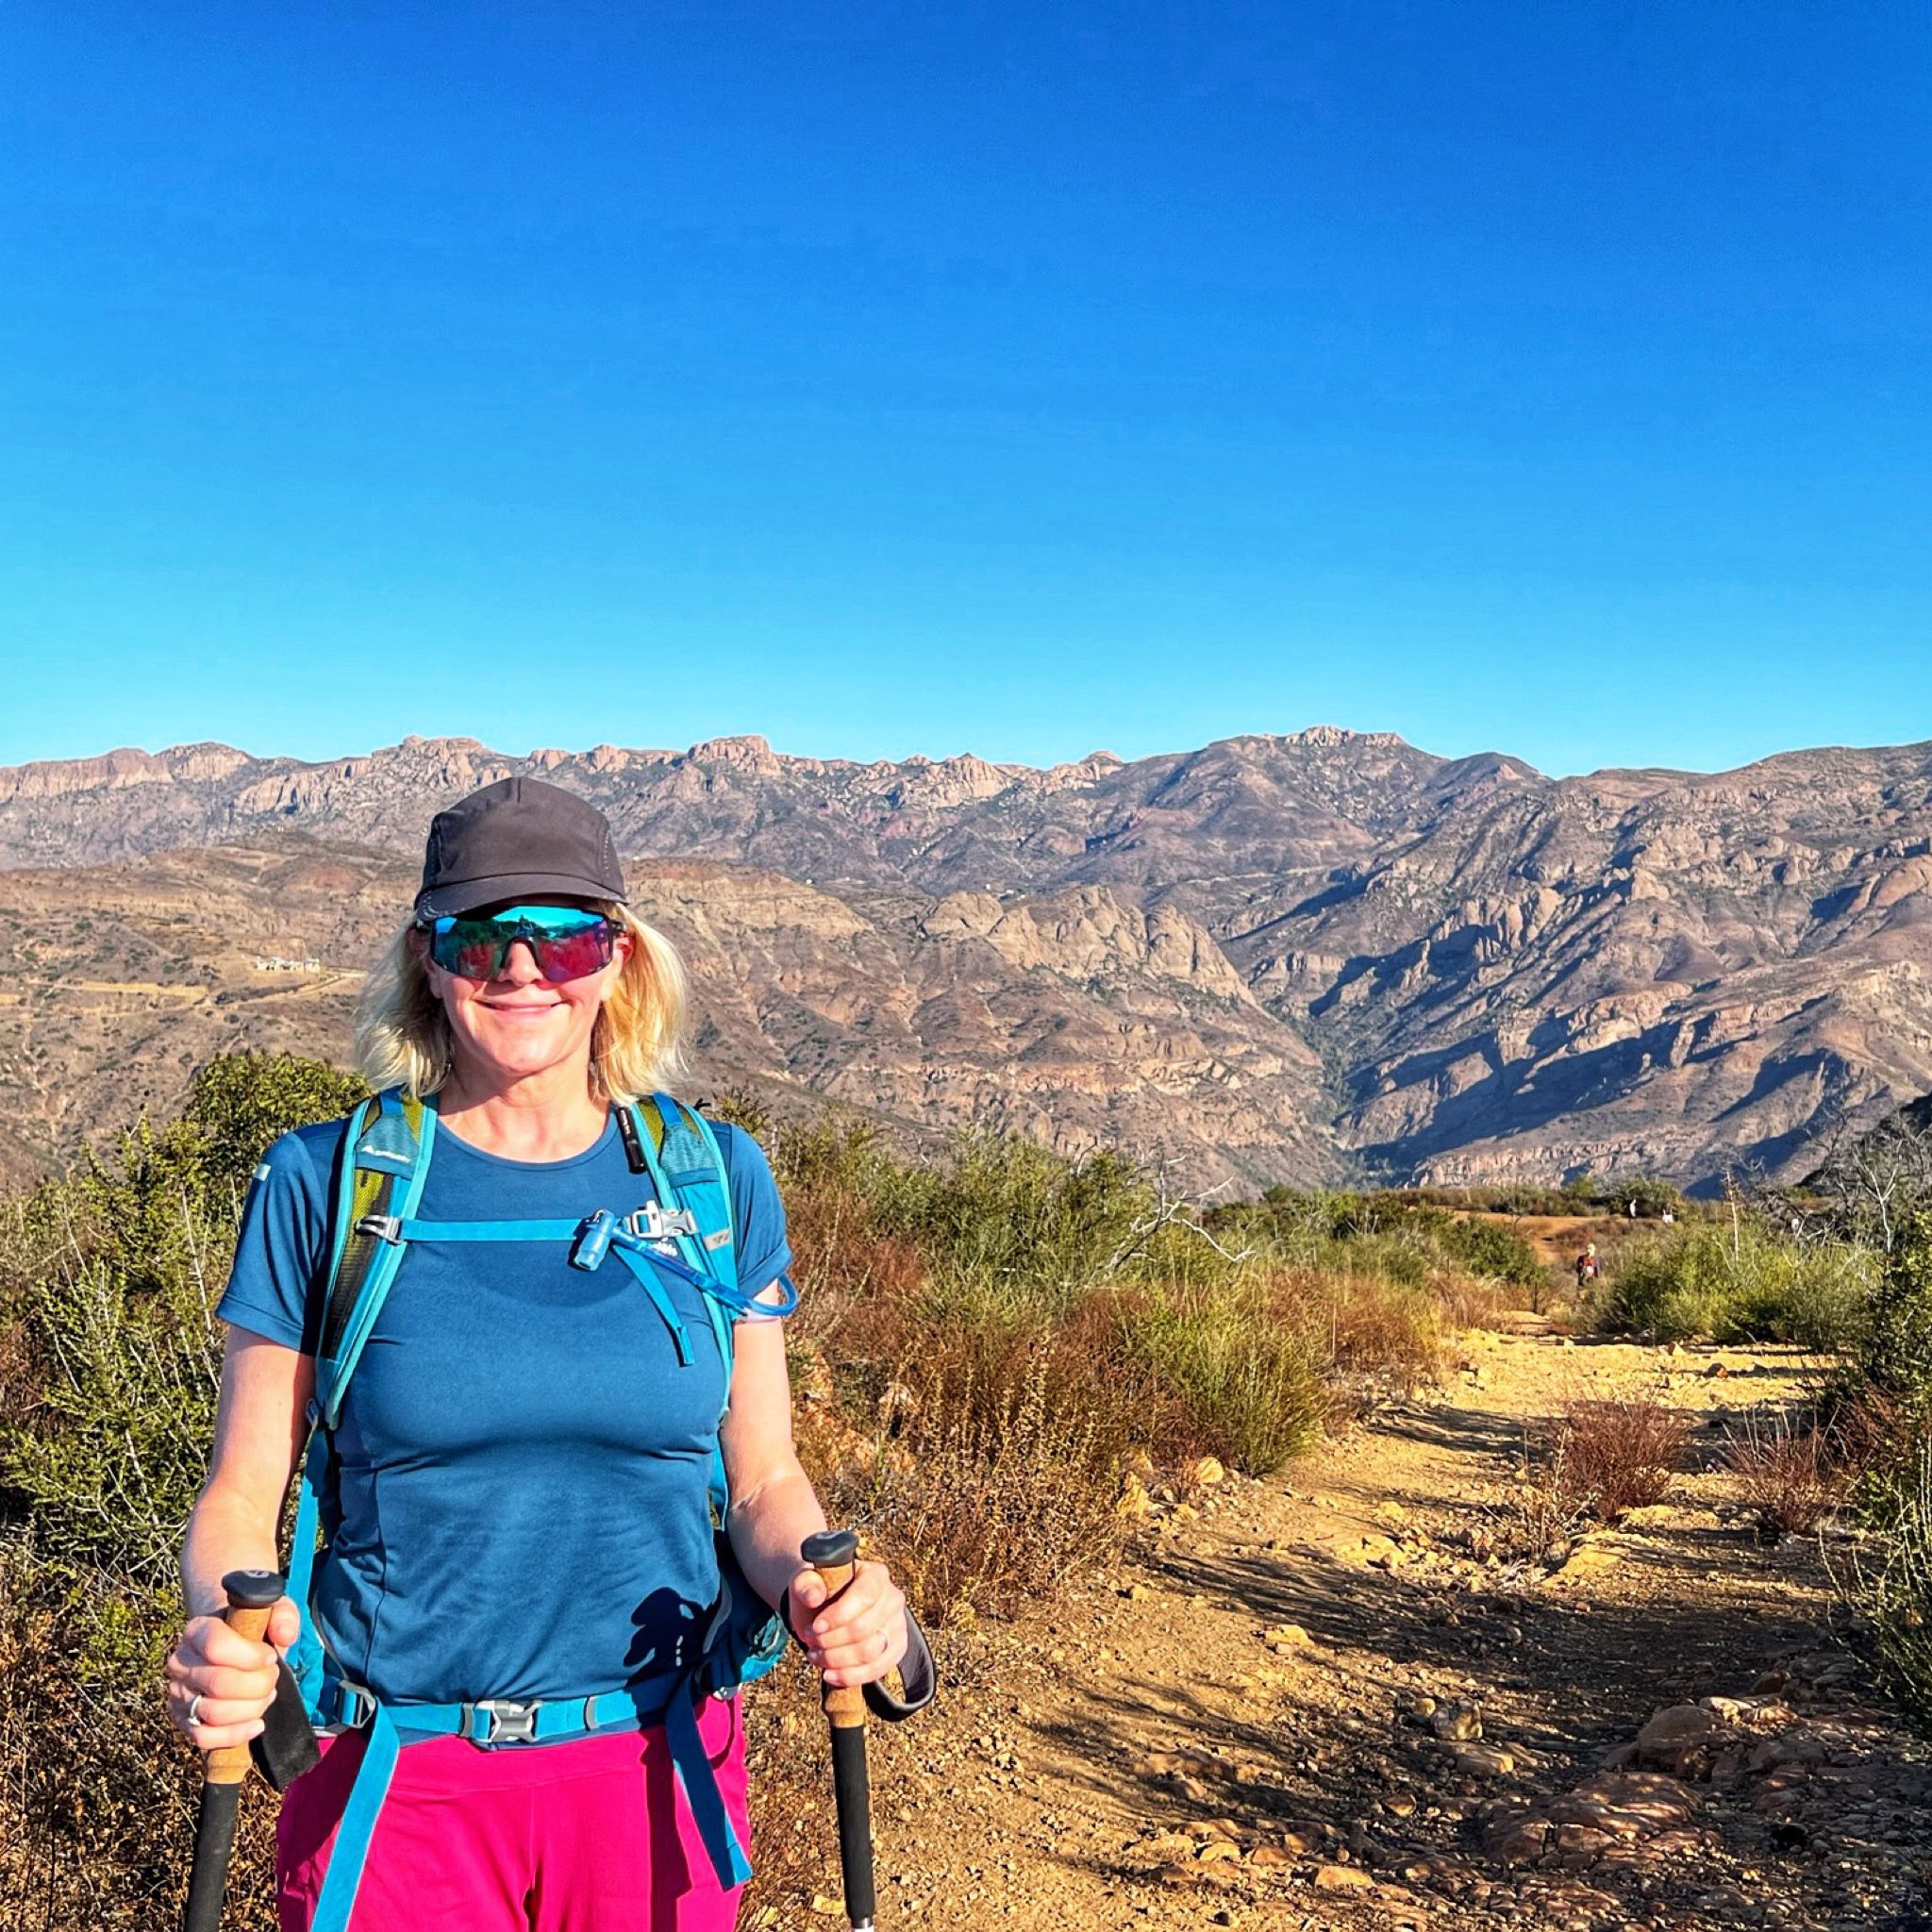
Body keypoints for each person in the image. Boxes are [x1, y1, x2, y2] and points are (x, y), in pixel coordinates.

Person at [163, 778, 908, 1930]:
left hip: (653, 1767)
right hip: (393, 1775)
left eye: (563, 935)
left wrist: (832, 1593)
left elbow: (763, 1480)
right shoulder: (324, 1184)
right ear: (427, 957)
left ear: (617, 958)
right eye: (480, 936)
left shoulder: (711, 1180)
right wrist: (222, 1622)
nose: (522, 969)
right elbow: (240, 1492)